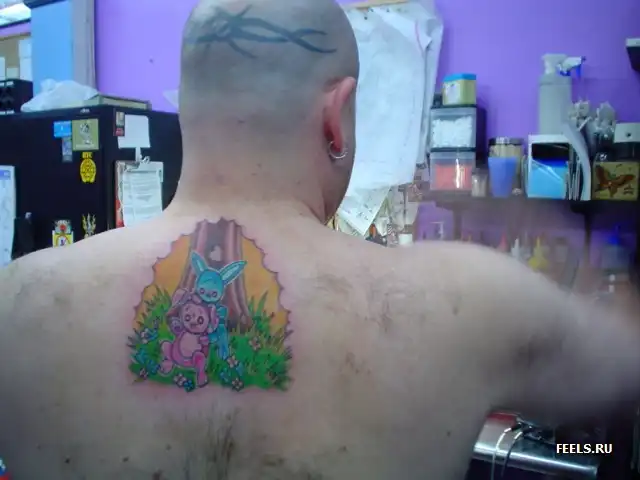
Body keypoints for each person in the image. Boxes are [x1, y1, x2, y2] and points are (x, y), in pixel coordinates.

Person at [1, 0, 639, 478]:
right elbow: (621, 377)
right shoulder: (466, 302)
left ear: (188, 110)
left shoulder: (19, 302)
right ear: (337, 116)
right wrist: (568, 241)